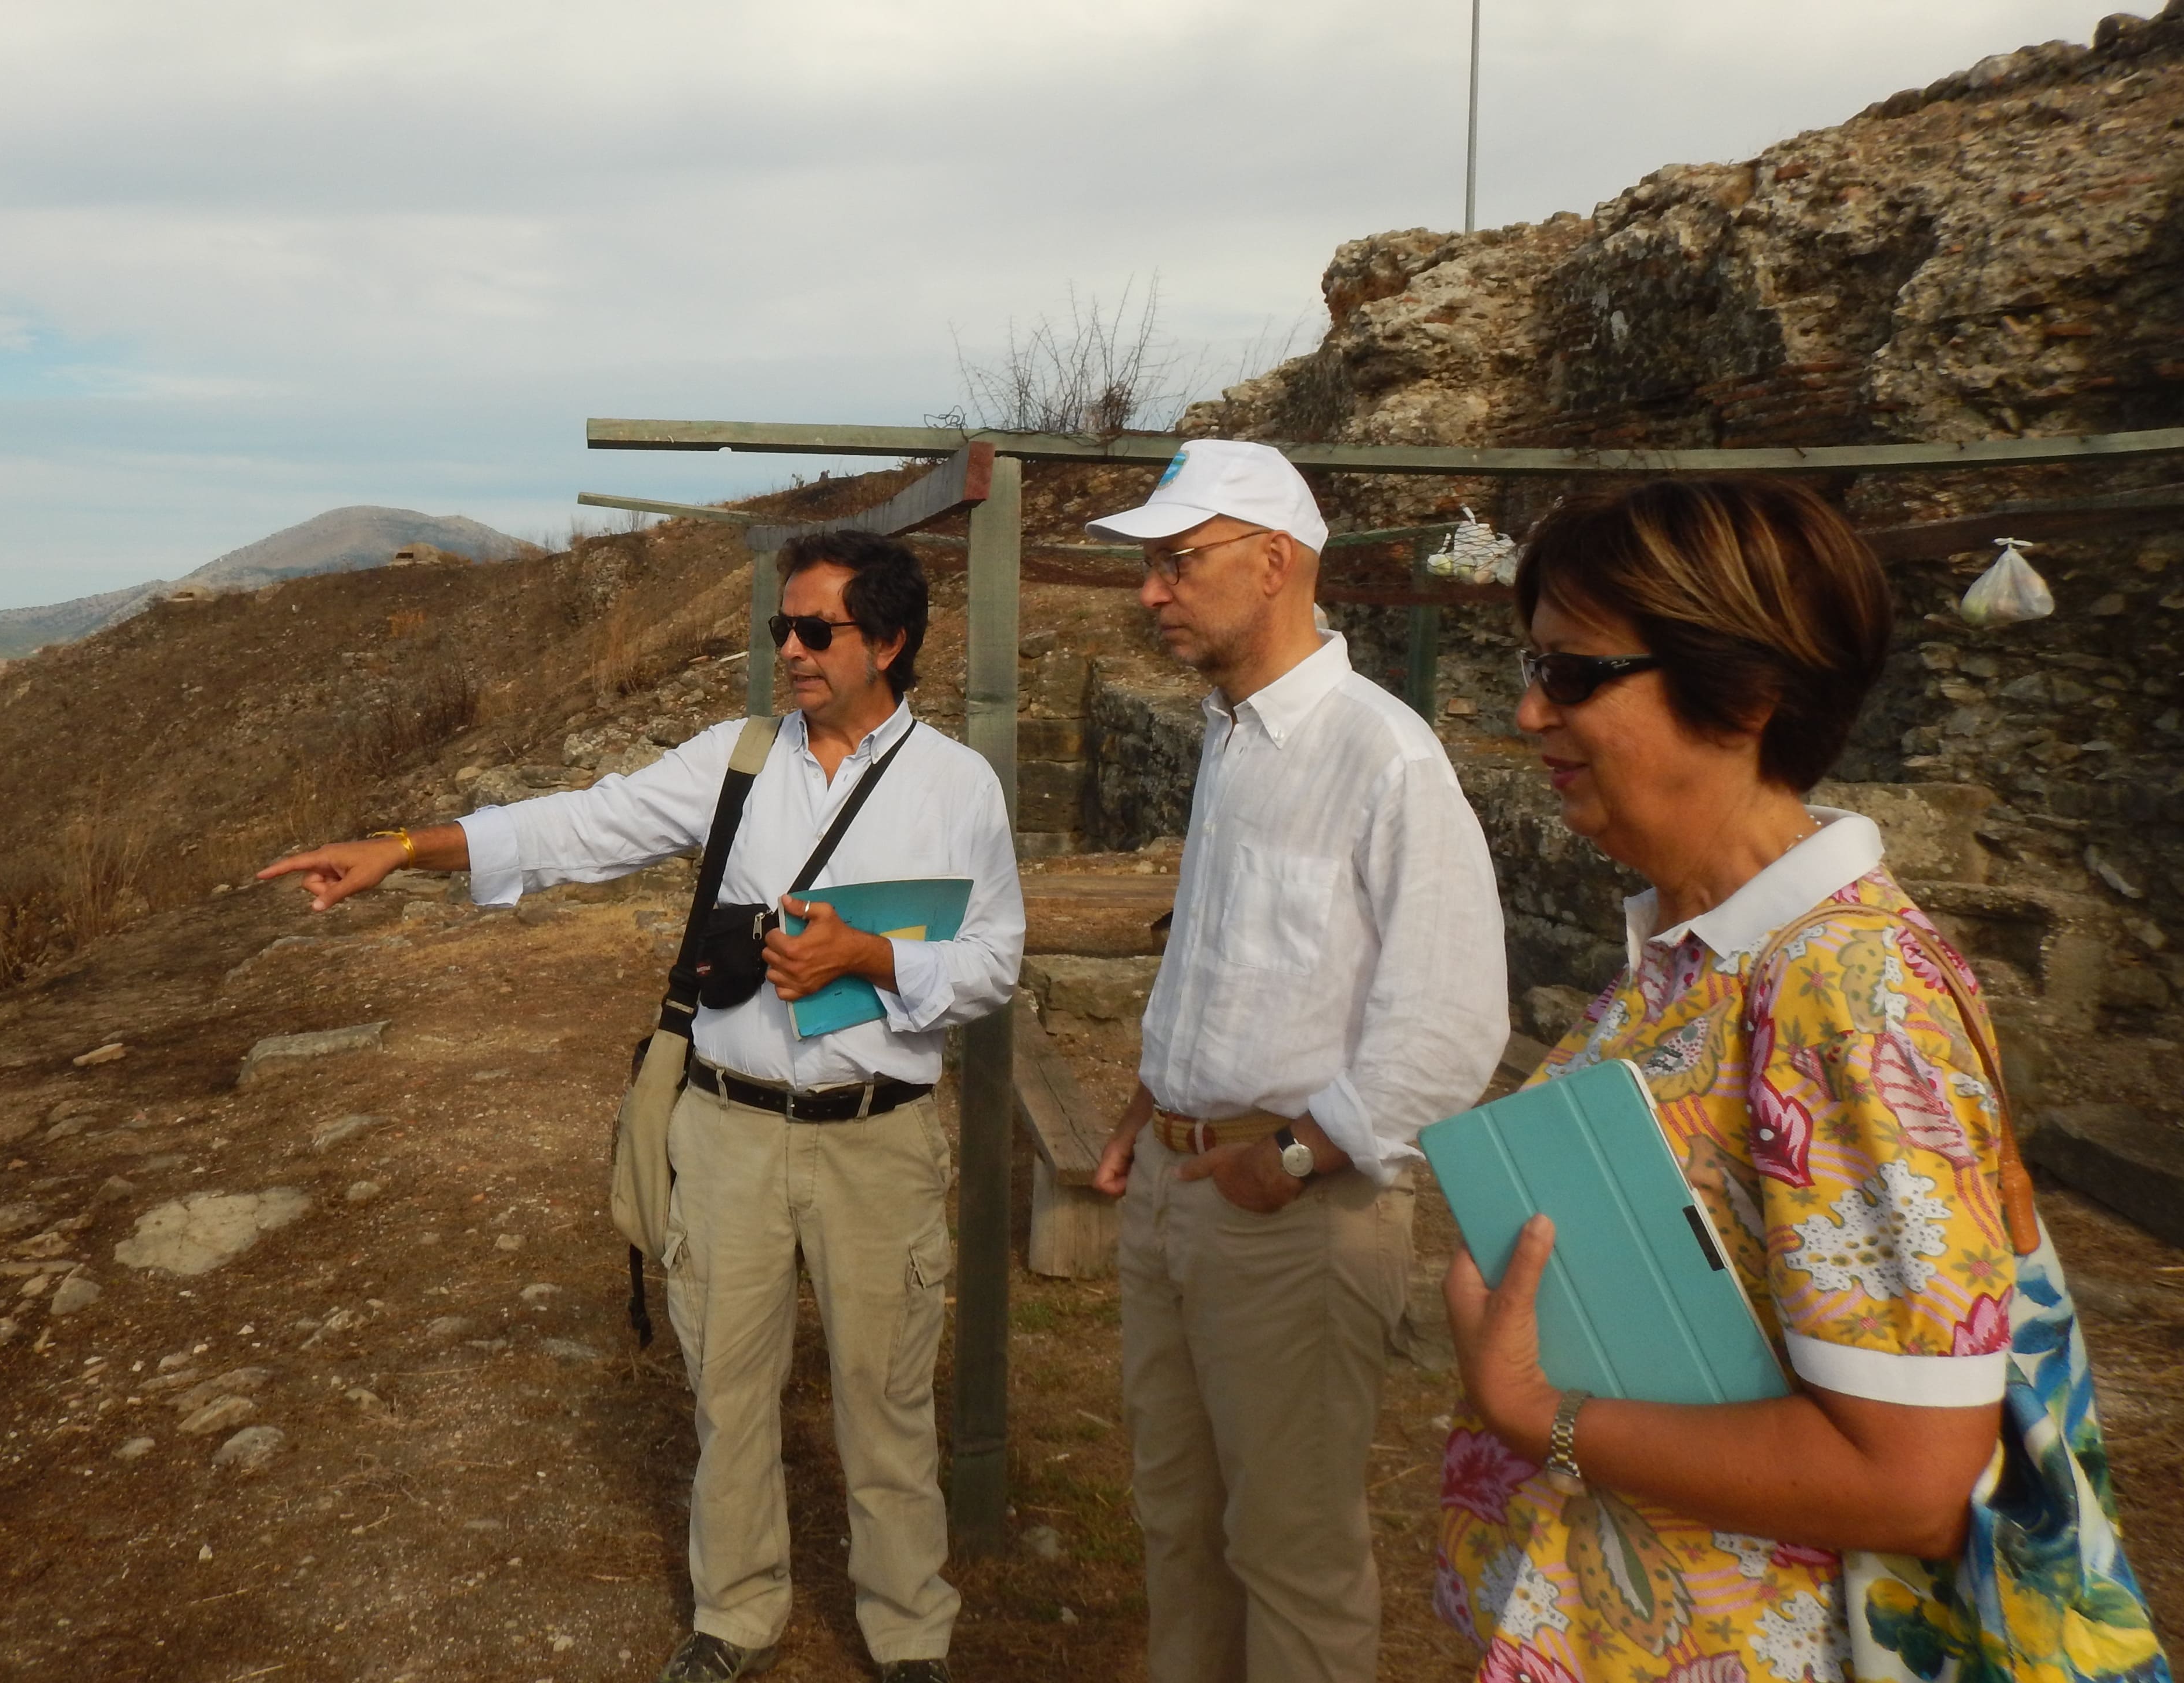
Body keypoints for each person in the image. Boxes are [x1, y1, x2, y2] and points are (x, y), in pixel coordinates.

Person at [259, 528, 1023, 1683]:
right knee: (726, 1390)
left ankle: (909, 1631)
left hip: (879, 1138)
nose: (792, 651)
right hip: (724, 1127)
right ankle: (734, 1616)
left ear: (892, 641)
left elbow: (995, 964)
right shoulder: (739, 760)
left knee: (886, 1404)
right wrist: (407, 847)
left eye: (818, 630)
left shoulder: (958, 787)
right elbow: (579, 824)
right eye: (783, 628)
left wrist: (872, 958)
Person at [1439, 476, 2167, 1683]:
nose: (1527, 711)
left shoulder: (1850, 991)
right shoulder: (1707, 953)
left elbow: (1912, 1480)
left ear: (1749, 693)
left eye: (1573, 674)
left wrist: (1539, 1416)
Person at [1086, 439, 1510, 1683]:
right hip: (1181, 1192)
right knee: (1178, 1525)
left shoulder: (1383, 757)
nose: (1152, 592)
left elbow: (1448, 1027)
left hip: (1289, 1211)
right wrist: (1146, 1103)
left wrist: (1289, 1157)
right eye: (1151, 566)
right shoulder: (1235, 738)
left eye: (1178, 562)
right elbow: (1221, 964)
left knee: (1291, 1554)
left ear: (1275, 563)